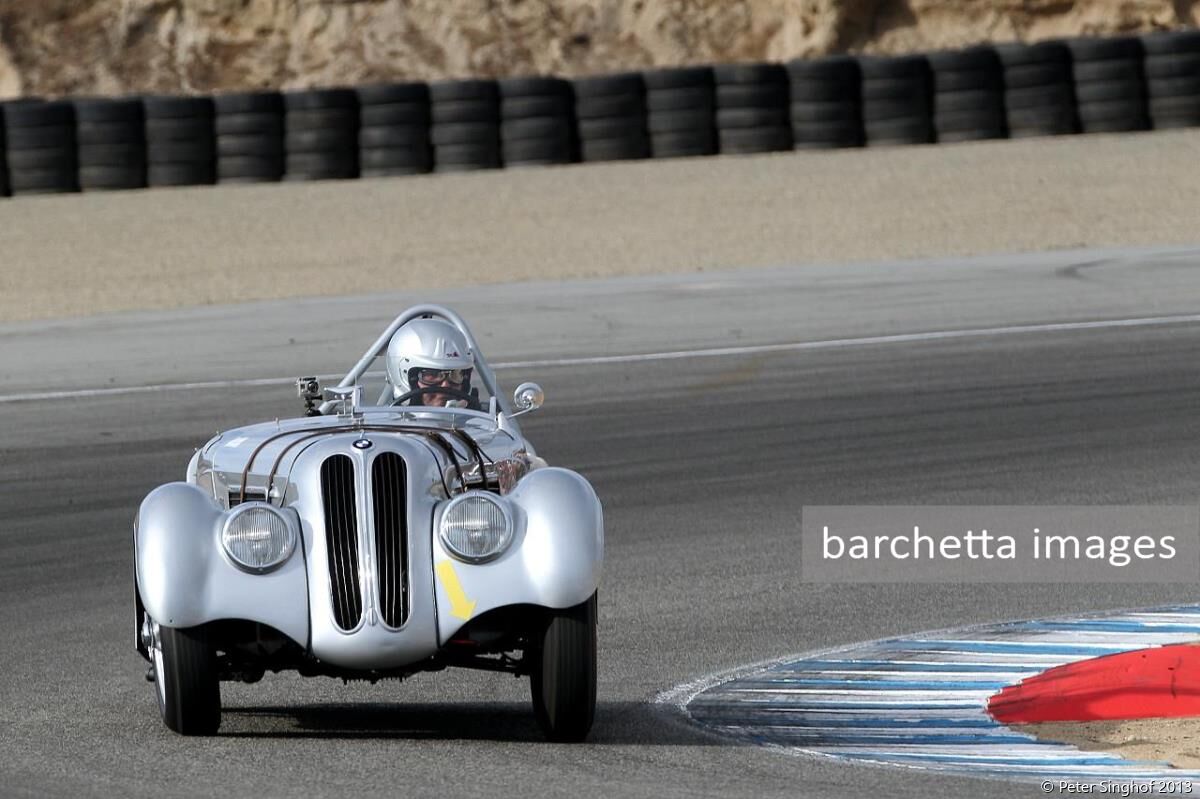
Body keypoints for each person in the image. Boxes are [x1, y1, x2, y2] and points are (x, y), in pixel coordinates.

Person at [385, 317, 477, 408]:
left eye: (455, 374)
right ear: (403, 376)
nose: (446, 385)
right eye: (432, 375)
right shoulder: (378, 422)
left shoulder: (484, 421)